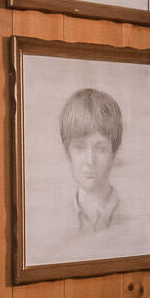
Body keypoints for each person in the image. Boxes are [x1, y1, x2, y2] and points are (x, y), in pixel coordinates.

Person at [60, 87, 129, 241]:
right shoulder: (54, 223)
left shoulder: (134, 219)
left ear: (114, 154)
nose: (90, 161)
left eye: (101, 148)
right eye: (79, 147)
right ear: (68, 152)